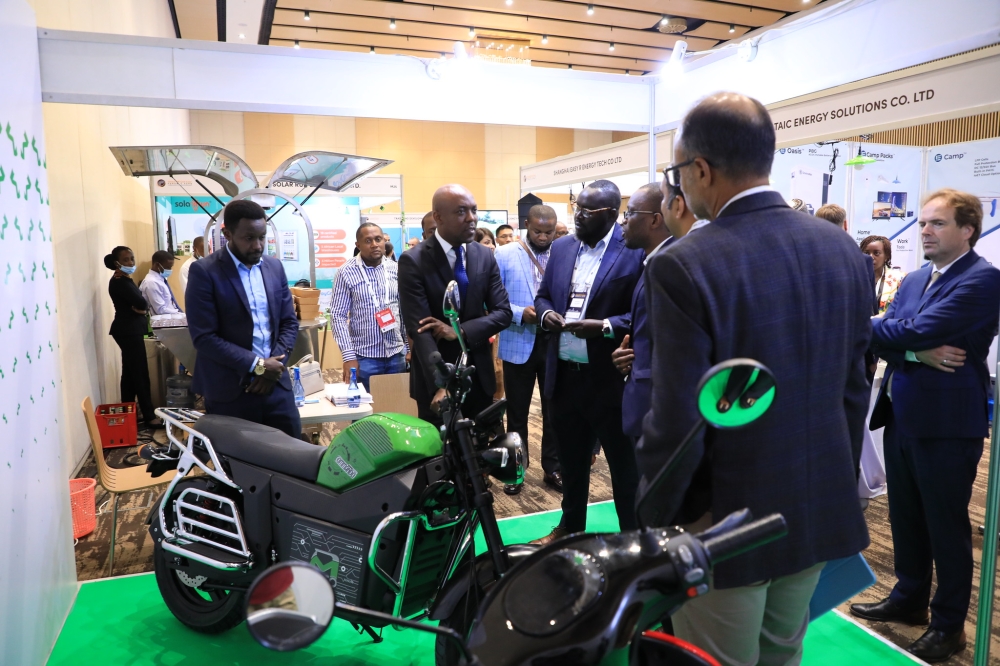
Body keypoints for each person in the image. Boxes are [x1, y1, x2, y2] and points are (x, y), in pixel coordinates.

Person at [637, 92, 871, 665]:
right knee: (781, 654)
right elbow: (853, 389)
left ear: (699, 170)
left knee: (712, 659)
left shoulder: (683, 264)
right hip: (812, 503)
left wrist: (658, 515)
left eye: (676, 174)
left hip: (725, 521)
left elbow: (679, 420)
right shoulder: (841, 249)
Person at [851, 189, 1000, 663]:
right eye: (922, 224)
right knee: (906, 516)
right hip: (902, 414)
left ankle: (949, 623)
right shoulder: (916, 279)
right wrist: (915, 351)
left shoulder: (982, 280)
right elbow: (900, 336)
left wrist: (902, 336)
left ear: (967, 231)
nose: (925, 232)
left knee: (946, 524)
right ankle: (909, 596)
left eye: (937, 224)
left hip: (948, 423)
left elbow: (908, 328)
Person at [532, 179, 645, 545]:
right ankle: (571, 527)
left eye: (587, 211)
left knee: (624, 470)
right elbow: (545, 294)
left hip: (610, 377)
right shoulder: (563, 247)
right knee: (572, 462)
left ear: (612, 214)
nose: (577, 216)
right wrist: (547, 314)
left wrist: (606, 326)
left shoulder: (634, 250)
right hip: (564, 374)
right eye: (576, 207)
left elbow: (645, 312)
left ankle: (633, 537)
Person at [186, 200, 301, 438]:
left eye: (262, 237)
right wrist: (258, 366)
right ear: (227, 233)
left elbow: (289, 322)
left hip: (276, 388)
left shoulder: (274, 267)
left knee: (293, 459)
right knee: (236, 468)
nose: (258, 246)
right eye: (249, 238)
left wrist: (273, 367)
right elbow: (204, 337)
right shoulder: (205, 272)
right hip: (231, 391)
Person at [398, 184, 512, 423]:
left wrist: (459, 331)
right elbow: (419, 330)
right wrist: (443, 383)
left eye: (474, 210)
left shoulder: (484, 255)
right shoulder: (414, 260)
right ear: (438, 217)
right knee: (440, 455)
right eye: (461, 212)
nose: (471, 218)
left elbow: (503, 313)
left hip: (479, 376)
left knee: (483, 454)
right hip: (437, 381)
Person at [612, 183, 691, 441]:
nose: (623, 222)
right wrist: (631, 355)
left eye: (630, 213)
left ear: (655, 220)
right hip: (645, 399)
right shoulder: (653, 262)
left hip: (659, 412)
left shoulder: (670, 265)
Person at [495, 204, 562, 494]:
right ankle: (517, 470)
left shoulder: (563, 252)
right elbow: (493, 302)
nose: (544, 237)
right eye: (538, 231)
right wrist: (521, 312)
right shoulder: (505, 253)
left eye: (549, 232)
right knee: (517, 413)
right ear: (526, 224)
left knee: (554, 410)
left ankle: (553, 468)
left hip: (554, 343)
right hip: (518, 340)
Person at [331, 223, 408, 391]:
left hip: (397, 355)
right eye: (368, 241)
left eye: (378, 239)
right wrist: (348, 356)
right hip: (364, 358)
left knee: (397, 408)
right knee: (366, 412)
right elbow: (338, 316)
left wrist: (408, 348)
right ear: (358, 245)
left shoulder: (396, 269)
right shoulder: (345, 272)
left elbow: (404, 312)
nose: (374, 244)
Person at [104, 246, 162, 428]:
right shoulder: (119, 281)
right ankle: (149, 416)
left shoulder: (125, 280)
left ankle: (126, 413)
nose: (131, 262)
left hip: (130, 330)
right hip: (127, 331)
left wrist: (140, 309)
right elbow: (142, 302)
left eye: (132, 258)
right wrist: (141, 308)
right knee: (140, 374)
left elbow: (141, 305)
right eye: (127, 259)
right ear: (117, 263)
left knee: (129, 375)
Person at [860, 235, 904, 315]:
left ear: (886, 256)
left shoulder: (899, 278)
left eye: (876, 253)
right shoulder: (854, 278)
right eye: (866, 253)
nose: (871, 257)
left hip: (886, 325)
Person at [140, 250, 182, 315]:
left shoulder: (160, 280)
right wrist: (179, 313)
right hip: (161, 320)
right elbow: (160, 310)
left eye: (171, 267)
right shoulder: (151, 282)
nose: (170, 270)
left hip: (170, 316)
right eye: (167, 267)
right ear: (157, 265)